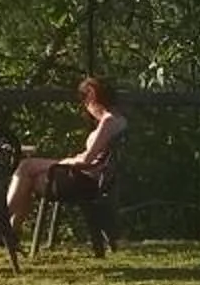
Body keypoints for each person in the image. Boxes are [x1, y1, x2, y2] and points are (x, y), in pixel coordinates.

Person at [8, 74, 125, 253]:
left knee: (26, 168)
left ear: (92, 95)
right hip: (96, 178)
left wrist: (65, 161)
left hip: (85, 179)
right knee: (28, 173)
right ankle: (10, 232)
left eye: (85, 101)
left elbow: (87, 160)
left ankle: (3, 223)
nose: (86, 108)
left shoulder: (108, 122)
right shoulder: (121, 120)